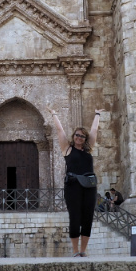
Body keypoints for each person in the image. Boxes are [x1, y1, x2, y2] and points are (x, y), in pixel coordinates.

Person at [50, 107, 103, 257]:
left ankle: (83, 250)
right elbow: (60, 131)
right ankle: (75, 251)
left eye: (82, 136)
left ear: (85, 139)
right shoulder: (67, 149)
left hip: (89, 186)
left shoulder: (88, 150)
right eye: (77, 135)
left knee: (88, 217)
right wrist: (54, 114)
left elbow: (94, 131)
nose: (79, 137)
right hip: (73, 186)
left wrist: (97, 114)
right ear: (73, 136)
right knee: (75, 217)